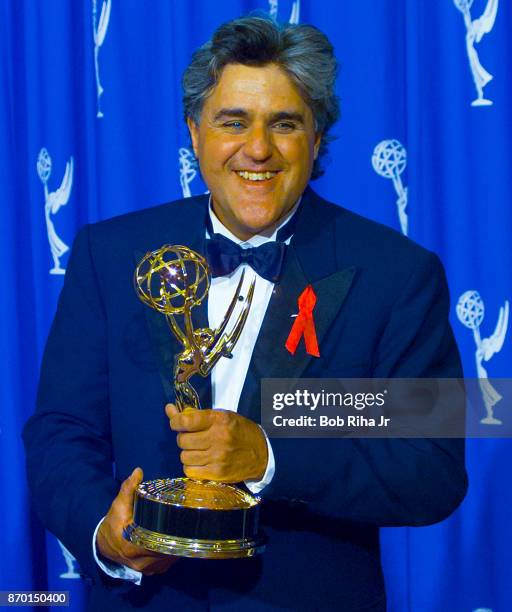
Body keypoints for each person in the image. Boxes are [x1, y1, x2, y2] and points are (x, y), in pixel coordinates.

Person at [23, 15, 467, 611]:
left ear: (315, 139)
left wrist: (272, 456)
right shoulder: (112, 254)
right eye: (233, 122)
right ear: (194, 131)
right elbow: (61, 430)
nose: (257, 149)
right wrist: (105, 531)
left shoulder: (397, 275)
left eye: (284, 124)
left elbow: (431, 470)